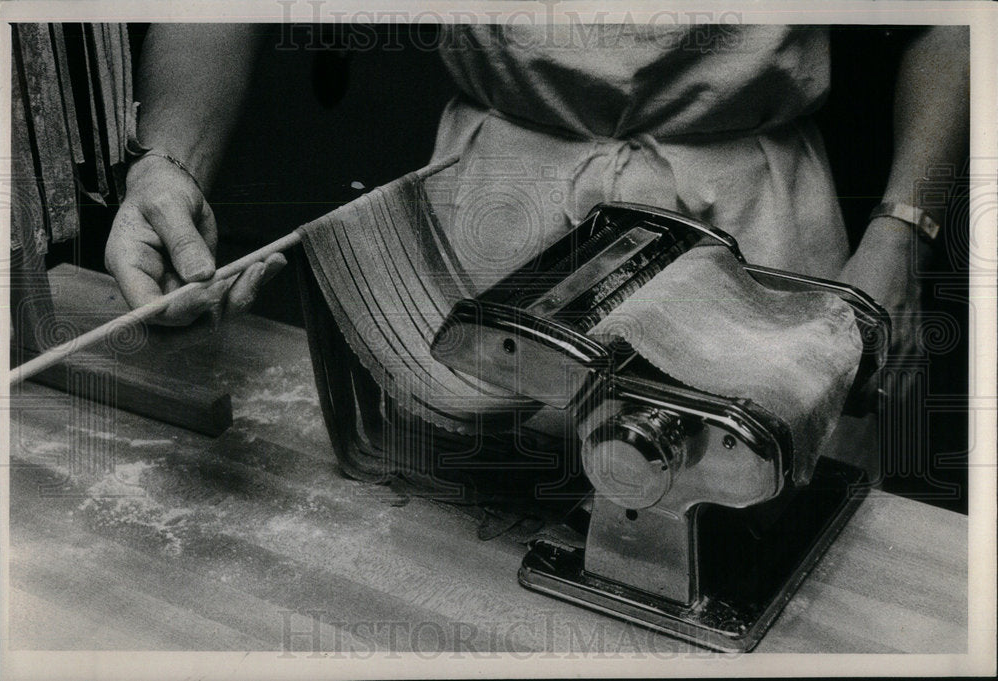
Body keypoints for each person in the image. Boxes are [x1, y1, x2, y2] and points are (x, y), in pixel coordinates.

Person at [104, 23, 968, 483]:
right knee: (431, 581)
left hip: (752, 239)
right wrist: (166, 162)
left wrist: (904, 227)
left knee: (746, 557)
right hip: (480, 238)